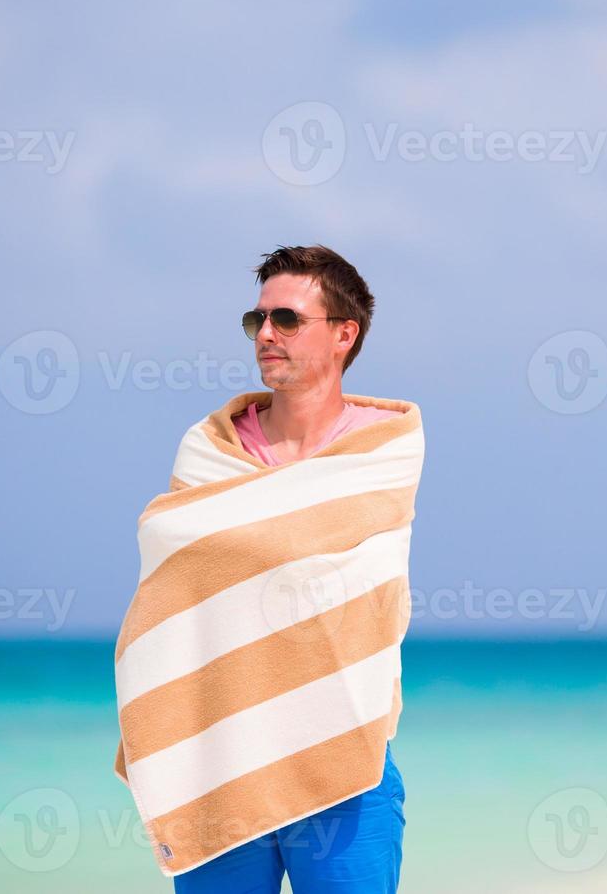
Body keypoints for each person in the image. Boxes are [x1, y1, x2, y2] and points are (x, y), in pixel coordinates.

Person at [169, 244, 407, 894]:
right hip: (223, 763)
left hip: (344, 761)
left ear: (343, 334)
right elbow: (175, 586)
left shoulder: (384, 448)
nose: (265, 334)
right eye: (257, 321)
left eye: (286, 319)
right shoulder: (210, 449)